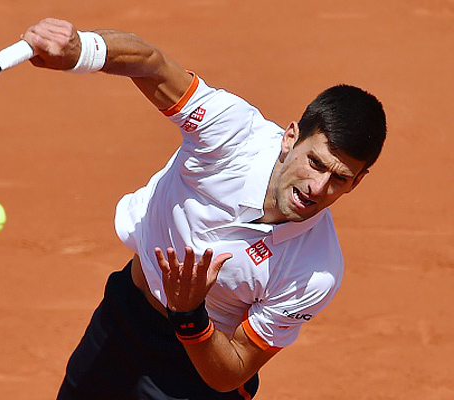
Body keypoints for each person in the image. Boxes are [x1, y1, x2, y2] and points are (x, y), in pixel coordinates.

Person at [21, 18, 387, 400]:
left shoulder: (315, 271)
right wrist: (81, 49)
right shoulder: (231, 134)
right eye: (315, 163)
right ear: (290, 137)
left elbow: (231, 373)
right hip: (124, 316)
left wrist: (189, 314)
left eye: (340, 178)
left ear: (357, 182)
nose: (318, 188)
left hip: (197, 370)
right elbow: (150, 64)